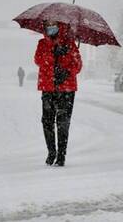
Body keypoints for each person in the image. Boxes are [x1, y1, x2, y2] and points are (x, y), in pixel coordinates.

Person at [34, 20, 82, 167]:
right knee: (47, 121)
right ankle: (51, 152)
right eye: (48, 25)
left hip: (66, 89)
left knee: (63, 122)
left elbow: (78, 65)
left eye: (54, 25)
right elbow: (38, 60)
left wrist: (66, 71)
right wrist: (51, 53)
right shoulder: (42, 44)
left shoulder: (70, 43)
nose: (51, 28)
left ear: (60, 27)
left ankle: (61, 155)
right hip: (48, 87)